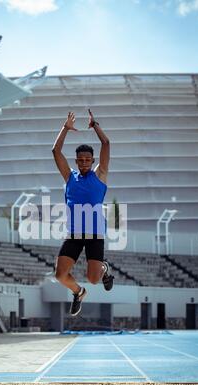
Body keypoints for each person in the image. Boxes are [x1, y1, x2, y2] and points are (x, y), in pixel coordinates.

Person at [52, 109, 114, 316]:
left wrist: (95, 125)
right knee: (60, 275)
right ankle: (78, 293)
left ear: (92, 160)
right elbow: (55, 151)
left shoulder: (100, 175)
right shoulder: (70, 177)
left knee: (94, 278)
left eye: (88, 160)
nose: (85, 163)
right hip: (74, 234)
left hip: (95, 234)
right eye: (81, 160)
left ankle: (104, 269)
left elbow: (106, 144)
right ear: (77, 161)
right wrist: (65, 128)